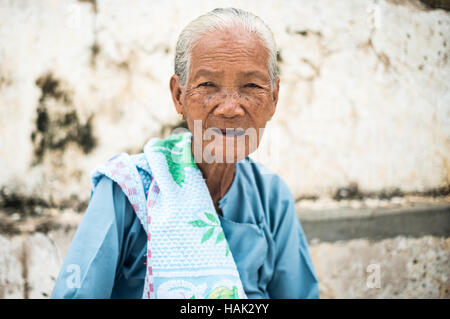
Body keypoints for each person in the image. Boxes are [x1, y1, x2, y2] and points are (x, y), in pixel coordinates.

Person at [51, 7, 319, 299]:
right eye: (207, 85)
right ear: (179, 96)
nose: (230, 107)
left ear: (274, 98)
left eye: (251, 86)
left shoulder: (271, 197)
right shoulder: (126, 191)